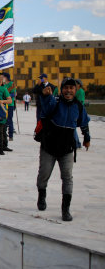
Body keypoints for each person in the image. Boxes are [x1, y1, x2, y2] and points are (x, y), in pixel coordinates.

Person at [36, 78, 91, 222]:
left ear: (76, 90)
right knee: (44, 174)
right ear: (61, 90)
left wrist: (87, 137)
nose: (68, 91)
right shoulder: (55, 102)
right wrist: (45, 96)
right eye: (66, 88)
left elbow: (83, 122)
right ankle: (42, 196)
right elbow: (44, 112)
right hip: (49, 146)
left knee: (67, 178)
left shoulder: (78, 106)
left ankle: (65, 209)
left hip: (67, 149)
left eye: (71, 88)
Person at [2, 72, 17, 142]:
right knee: (3, 120)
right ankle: (3, 135)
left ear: (6, 77)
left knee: (9, 119)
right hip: (4, 104)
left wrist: (6, 95)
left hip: (10, 104)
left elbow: (14, 94)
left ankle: (10, 135)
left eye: (3, 77)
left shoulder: (11, 84)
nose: (2, 78)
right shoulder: (3, 84)